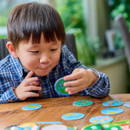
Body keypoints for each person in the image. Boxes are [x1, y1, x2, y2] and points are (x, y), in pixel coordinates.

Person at [0, 2, 110, 104]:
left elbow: (104, 90)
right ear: (13, 49)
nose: (45, 59)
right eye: (35, 51)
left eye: (53, 49)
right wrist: (15, 94)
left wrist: (91, 79)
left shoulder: (64, 57)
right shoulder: (3, 72)